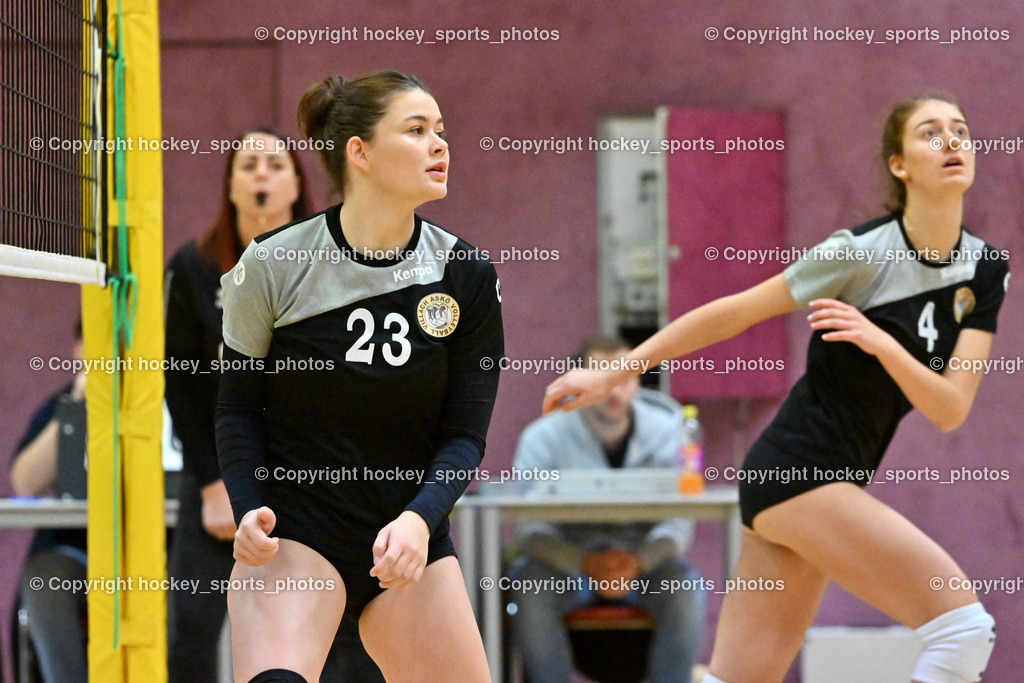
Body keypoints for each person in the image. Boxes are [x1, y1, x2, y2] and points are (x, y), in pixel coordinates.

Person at [544, 94, 1007, 683]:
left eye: (960, 130)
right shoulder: (858, 254)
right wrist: (617, 368)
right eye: (930, 132)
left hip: (816, 483)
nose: (951, 142)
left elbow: (949, 407)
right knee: (963, 630)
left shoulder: (986, 270)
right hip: (798, 469)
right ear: (900, 164)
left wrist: (880, 341)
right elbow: (734, 312)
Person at [216, 71, 503, 683]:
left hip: (404, 535)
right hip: (297, 533)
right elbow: (236, 409)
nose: (440, 145)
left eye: (442, 131)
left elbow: (465, 436)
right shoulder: (272, 265)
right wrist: (247, 507)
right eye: (417, 130)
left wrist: (420, 520)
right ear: (360, 152)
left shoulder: (466, 275)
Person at [165, 129, 382, 682]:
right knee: (193, 620)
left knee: (336, 618)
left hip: (309, 468)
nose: (261, 174)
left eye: (275, 164)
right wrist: (214, 483)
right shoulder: (193, 266)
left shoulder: (332, 261)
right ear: (230, 187)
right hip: (222, 466)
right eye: (247, 165)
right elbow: (180, 381)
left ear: (297, 184)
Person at [509, 335, 706, 683]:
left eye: (624, 377)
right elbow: (529, 526)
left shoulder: (669, 432)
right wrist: (582, 562)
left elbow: (679, 519)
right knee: (528, 583)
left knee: (685, 586)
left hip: (643, 564)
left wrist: (639, 562)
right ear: (577, 380)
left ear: (639, 382)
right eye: (601, 374)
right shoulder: (542, 437)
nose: (613, 389)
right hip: (566, 564)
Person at [10, 322, 88, 683]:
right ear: (77, 349)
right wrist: (77, 403)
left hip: (155, 549)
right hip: (72, 550)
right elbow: (24, 482)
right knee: (43, 583)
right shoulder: (63, 404)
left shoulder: (168, 405)